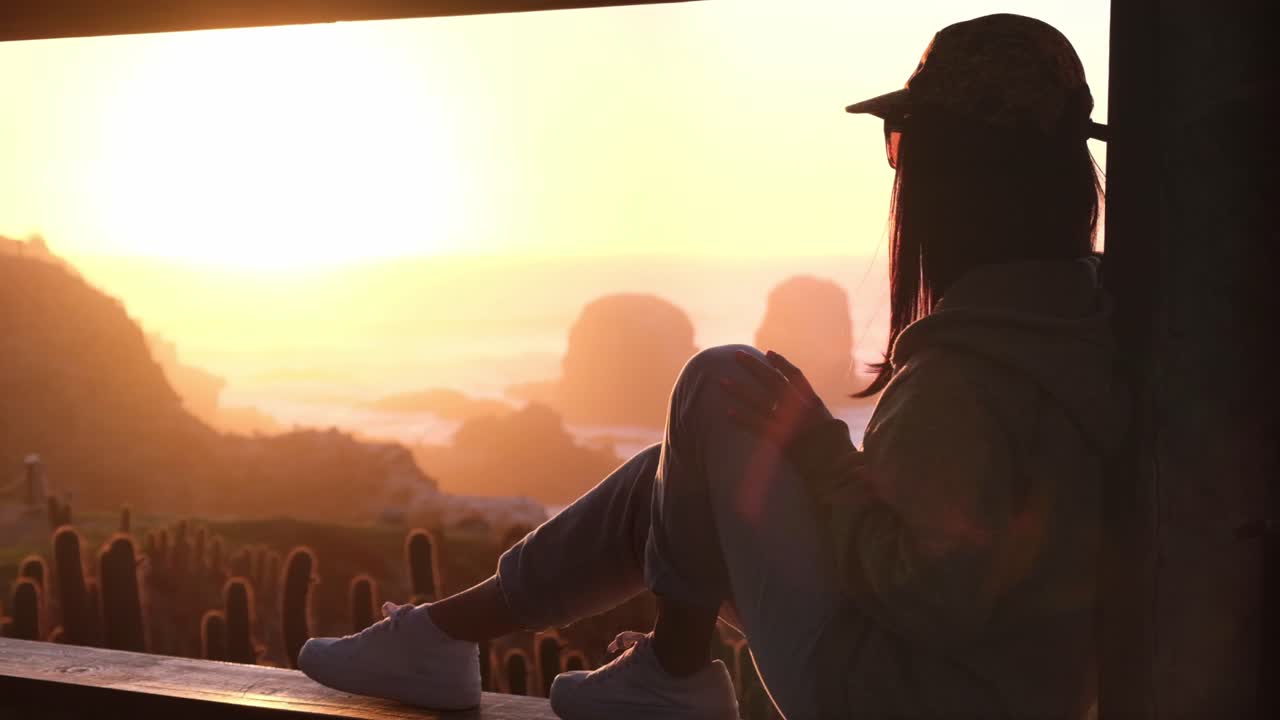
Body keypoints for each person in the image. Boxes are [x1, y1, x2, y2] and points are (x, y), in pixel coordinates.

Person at [298, 13, 1126, 719]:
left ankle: (657, 672)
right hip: (1009, 689)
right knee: (683, 467)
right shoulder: (1083, 327)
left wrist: (821, 454)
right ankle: (448, 638)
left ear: (953, 180)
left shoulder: (964, 378)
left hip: (892, 695)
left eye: (901, 142)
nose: (896, 161)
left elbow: (927, 598)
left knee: (718, 380)